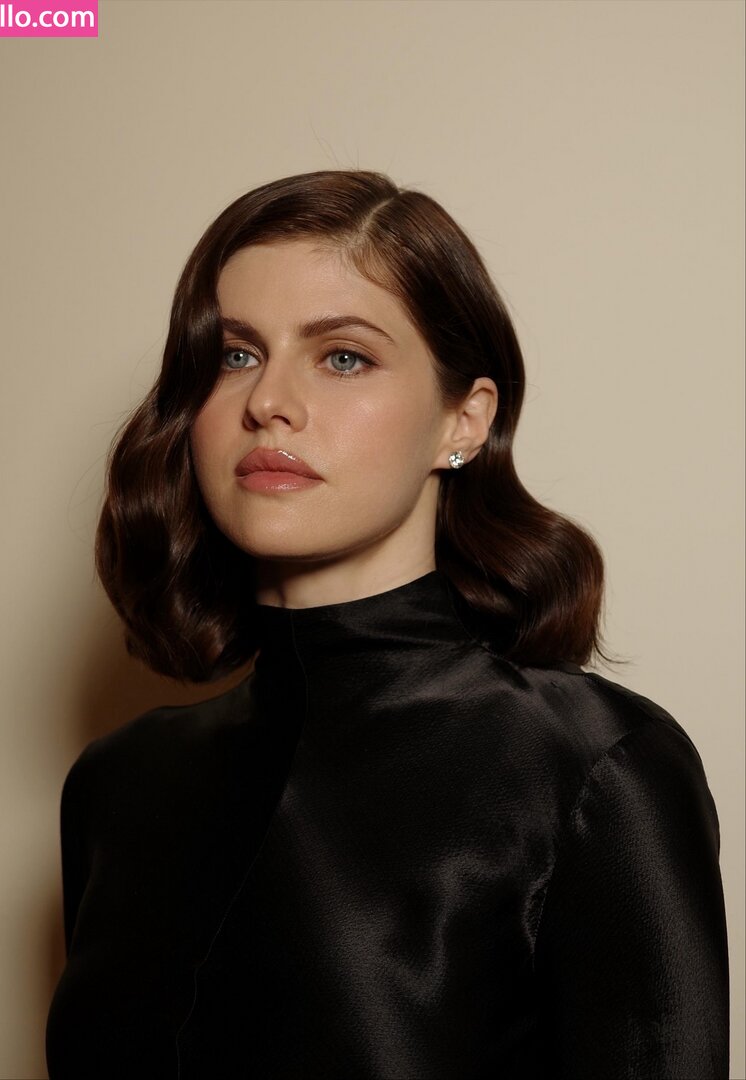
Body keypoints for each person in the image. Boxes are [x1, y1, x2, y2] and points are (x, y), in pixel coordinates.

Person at [45, 170, 729, 1078]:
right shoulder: (117, 786)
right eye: (235, 355)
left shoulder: (592, 768)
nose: (267, 402)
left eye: (342, 358)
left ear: (463, 420)